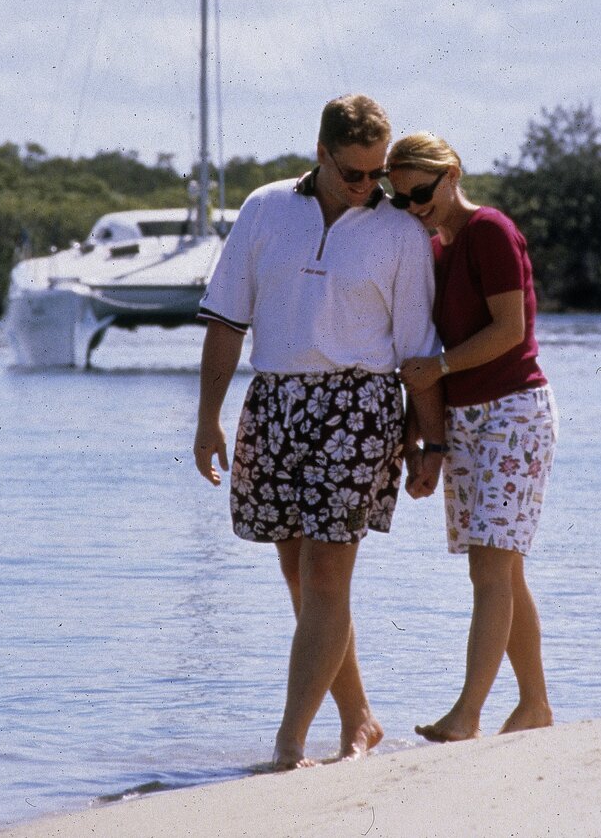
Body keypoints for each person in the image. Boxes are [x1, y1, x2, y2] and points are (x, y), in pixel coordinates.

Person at [193, 95, 445, 770]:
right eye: (354, 174)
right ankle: (360, 718)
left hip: (360, 406)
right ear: (321, 153)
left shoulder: (399, 233)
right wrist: (206, 420)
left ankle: (288, 744)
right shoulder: (265, 208)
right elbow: (224, 323)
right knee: (300, 578)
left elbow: (417, 346)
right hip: (273, 400)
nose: (369, 188)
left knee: (328, 574)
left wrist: (431, 442)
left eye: (378, 175)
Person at [388, 131, 558, 742]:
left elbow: (510, 330)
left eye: (423, 193)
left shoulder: (490, 230)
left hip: (514, 412)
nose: (414, 207)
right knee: (501, 572)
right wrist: (426, 442)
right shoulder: (433, 248)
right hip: (463, 419)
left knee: (491, 568)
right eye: (401, 198)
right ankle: (535, 705)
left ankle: (468, 714)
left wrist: (437, 370)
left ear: (452, 174)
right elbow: (424, 356)